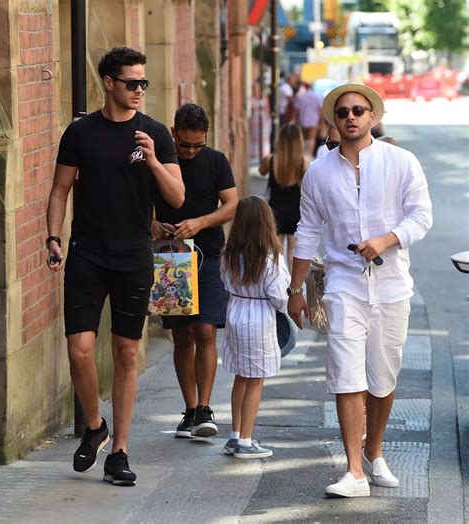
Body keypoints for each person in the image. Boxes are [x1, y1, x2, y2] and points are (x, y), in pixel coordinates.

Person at [45, 47, 185, 487]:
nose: (139, 90)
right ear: (109, 83)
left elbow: (177, 198)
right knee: (79, 350)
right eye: (131, 83)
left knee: (126, 353)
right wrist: (52, 237)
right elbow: (59, 190)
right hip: (87, 252)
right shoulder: (81, 133)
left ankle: (120, 450)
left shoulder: (156, 134)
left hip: (133, 256)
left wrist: (155, 160)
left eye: (144, 83)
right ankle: (94, 425)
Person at [287, 83, 432, 497]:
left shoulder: (401, 162)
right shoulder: (318, 172)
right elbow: (308, 231)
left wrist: (388, 239)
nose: (351, 116)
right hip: (343, 284)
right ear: (334, 120)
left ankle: (374, 449)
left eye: (359, 110)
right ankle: (353, 471)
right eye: (344, 111)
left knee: (382, 378)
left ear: (372, 117)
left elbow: (422, 216)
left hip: (391, 285)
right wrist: (294, 288)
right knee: (346, 373)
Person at [152, 103, 238, 439]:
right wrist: (152, 225)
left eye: (196, 145)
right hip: (170, 257)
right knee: (181, 335)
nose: (189, 151)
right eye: (184, 144)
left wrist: (200, 222)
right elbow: (140, 203)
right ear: (174, 133)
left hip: (209, 255)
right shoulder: (160, 164)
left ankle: (205, 407)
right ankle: (189, 410)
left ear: (206, 138)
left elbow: (231, 205)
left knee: (205, 330)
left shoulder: (216, 161)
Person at [220, 196, 290, 458]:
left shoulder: (229, 252)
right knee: (255, 379)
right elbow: (279, 294)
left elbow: (224, 281)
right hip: (259, 316)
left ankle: (235, 435)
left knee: (241, 375)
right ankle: (247, 441)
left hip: (236, 311)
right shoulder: (271, 256)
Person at [259, 124, 310, 268]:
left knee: (276, 253)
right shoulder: (304, 163)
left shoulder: (270, 160)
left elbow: (261, 172)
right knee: (293, 254)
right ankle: (294, 287)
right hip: (296, 211)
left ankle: (277, 284)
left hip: (275, 211)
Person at [294, 81, 323, 157]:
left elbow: (296, 111)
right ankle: (309, 156)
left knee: (302, 140)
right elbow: (320, 110)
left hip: (302, 121)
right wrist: (321, 122)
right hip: (313, 122)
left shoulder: (300, 97)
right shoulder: (317, 97)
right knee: (311, 140)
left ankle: (302, 156)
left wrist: (296, 121)